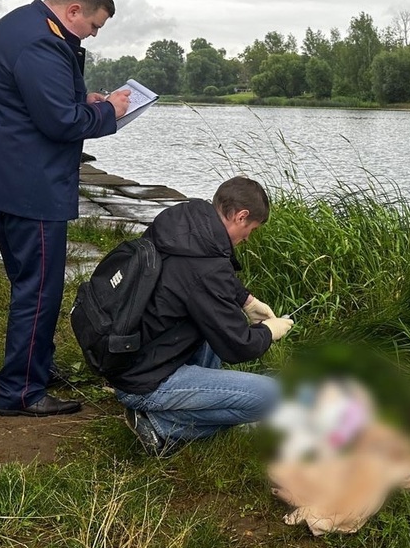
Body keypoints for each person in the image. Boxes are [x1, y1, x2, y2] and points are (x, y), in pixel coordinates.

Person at [0, 0, 132, 417]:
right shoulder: (42, 42)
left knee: (30, 283)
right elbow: (60, 123)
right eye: (94, 26)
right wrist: (108, 111)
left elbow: (32, 98)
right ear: (72, 12)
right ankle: (22, 391)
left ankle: (33, 368)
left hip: (1, 176)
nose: (93, 34)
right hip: (27, 185)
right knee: (39, 290)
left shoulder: (20, 25)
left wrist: (82, 97)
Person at [112, 176, 294, 455]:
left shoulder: (181, 220)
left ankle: (195, 400)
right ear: (241, 216)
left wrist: (246, 300)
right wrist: (270, 330)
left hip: (131, 358)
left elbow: (200, 281)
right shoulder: (207, 267)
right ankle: (160, 424)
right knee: (274, 398)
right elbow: (238, 345)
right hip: (146, 381)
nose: (247, 238)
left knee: (219, 316)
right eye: (251, 229)